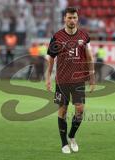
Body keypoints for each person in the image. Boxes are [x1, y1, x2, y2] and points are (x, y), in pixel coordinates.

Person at [45, 7, 95, 154]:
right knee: (63, 110)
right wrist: (48, 77)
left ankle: (72, 136)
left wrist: (92, 77)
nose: (72, 20)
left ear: (77, 18)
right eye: (69, 18)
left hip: (78, 80)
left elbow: (90, 57)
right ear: (64, 19)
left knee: (80, 110)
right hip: (62, 80)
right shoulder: (57, 37)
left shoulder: (84, 36)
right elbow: (51, 58)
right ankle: (63, 144)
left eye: (74, 18)